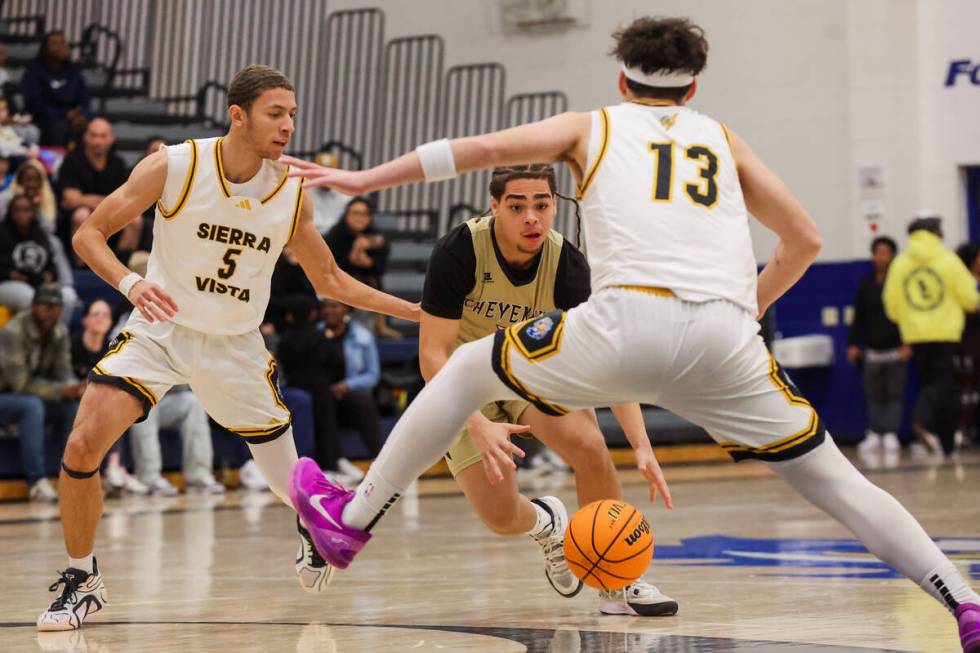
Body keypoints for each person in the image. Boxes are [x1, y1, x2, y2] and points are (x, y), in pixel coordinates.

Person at [283, 17, 980, 651]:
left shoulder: (593, 126)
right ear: (694, 86)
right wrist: (741, 309)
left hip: (625, 324)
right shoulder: (722, 137)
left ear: (622, 79)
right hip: (727, 341)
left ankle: (353, 517)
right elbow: (805, 239)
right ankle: (964, 603)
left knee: (465, 365)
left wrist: (363, 177)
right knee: (837, 480)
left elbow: (476, 149)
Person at [35, 64, 418, 632]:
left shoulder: (291, 189)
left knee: (289, 486)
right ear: (238, 115)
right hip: (160, 331)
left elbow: (331, 281)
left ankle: (312, 523)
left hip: (235, 347)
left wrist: (419, 313)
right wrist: (132, 283)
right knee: (84, 442)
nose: (288, 126)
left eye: (292, 114)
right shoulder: (176, 165)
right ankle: (81, 578)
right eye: (275, 114)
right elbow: (88, 234)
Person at [417, 163, 676, 615]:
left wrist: (642, 444)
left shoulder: (568, 264)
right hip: (461, 382)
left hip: (525, 370)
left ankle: (617, 582)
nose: (531, 217)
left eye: (541, 205)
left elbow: (609, 363)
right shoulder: (458, 252)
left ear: (555, 205)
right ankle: (546, 523)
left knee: (590, 445)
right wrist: (476, 423)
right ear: (494, 206)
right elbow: (432, 357)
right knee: (500, 518)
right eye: (517, 207)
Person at [883, 216, 980, 457]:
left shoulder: (900, 263)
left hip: (915, 333)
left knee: (933, 384)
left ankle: (946, 442)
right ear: (937, 234)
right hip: (946, 332)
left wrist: (907, 319)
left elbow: (891, 303)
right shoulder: (949, 261)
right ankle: (923, 420)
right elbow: (969, 297)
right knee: (945, 383)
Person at [0, 285, 84, 501]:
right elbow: (21, 384)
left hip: (34, 395)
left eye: (56, 307)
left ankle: (70, 474)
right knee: (32, 406)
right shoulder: (13, 331)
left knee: (71, 407)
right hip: (7, 394)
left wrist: (75, 388)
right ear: (34, 307)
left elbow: (64, 372)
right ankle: (37, 481)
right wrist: (60, 390)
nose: (51, 311)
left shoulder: (60, 332)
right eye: (46, 306)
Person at [70, 299, 145, 495]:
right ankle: (110, 469)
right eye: (96, 314)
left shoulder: (112, 349)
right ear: (85, 320)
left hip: (100, 402)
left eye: (105, 314)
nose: (101, 318)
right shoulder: (73, 344)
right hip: (71, 399)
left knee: (123, 408)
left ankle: (114, 466)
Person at [847, 236, 908, 453]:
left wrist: (908, 344)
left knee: (894, 393)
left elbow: (907, 316)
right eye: (878, 252)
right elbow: (859, 317)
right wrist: (852, 344)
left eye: (886, 252)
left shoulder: (901, 284)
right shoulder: (866, 285)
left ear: (893, 256)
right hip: (872, 350)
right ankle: (874, 431)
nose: (882, 257)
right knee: (873, 394)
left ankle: (890, 432)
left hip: (896, 349)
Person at [318, 298, 383, 483]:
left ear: (346, 309)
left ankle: (379, 459)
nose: (329, 311)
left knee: (362, 399)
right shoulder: (316, 334)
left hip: (349, 397)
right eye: (325, 306)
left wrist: (347, 385)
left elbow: (373, 375)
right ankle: (333, 464)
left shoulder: (362, 336)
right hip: (324, 396)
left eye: (334, 306)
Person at [57, 117, 136, 265]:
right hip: (78, 216)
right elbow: (71, 200)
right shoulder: (72, 160)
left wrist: (89, 199)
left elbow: (127, 198)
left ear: (111, 139)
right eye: (93, 135)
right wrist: (108, 201)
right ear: (85, 137)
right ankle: (81, 267)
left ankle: (120, 266)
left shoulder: (118, 163)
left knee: (135, 220)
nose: (98, 141)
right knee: (81, 215)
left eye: (103, 136)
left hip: (111, 213)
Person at [325, 197, 401, 339]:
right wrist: (353, 257)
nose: (359, 218)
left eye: (364, 214)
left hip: (369, 286)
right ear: (347, 214)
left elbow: (380, 266)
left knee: (375, 285)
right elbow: (330, 266)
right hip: (341, 286)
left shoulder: (376, 234)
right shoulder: (335, 234)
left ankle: (380, 325)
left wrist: (369, 263)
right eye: (355, 213)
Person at [0, 194, 78, 319]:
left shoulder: (41, 234)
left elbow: (51, 264)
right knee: (29, 298)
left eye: (27, 210)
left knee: (68, 298)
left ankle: (56, 335)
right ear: (10, 212)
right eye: (18, 210)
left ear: (33, 212)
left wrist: (50, 274)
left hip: (38, 283)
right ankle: (31, 337)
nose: (22, 214)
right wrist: (9, 274)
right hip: (7, 284)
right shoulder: (2, 234)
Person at [20, 30, 90, 147]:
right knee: (59, 127)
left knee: (95, 128)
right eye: (55, 44)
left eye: (63, 43)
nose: (61, 47)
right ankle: (56, 163)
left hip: (71, 117)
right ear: (45, 48)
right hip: (43, 119)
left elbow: (84, 97)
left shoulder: (73, 70)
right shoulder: (34, 70)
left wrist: (83, 114)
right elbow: (34, 104)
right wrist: (63, 114)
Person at [308, 151, 352, 235]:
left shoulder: (347, 194)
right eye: (320, 171)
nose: (325, 175)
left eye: (330, 171)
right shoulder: (303, 192)